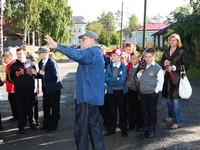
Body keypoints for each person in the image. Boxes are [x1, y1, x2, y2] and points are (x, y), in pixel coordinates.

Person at [44, 31, 105, 150]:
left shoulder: (92, 52)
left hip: (86, 98)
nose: (81, 41)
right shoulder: (96, 52)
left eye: (84, 39)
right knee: (94, 129)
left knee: (81, 130)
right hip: (91, 97)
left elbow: (78, 55)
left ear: (92, 39)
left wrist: (57, 46)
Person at [160, 33, 189, 129]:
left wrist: (174, 67)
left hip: (177, 80)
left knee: (176, 101)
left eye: (174, 40)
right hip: (167, 80)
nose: (172, 42)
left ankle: (177, 121)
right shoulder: (166, 52)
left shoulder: (181, 52)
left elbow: (186, 66)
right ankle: (171, 115)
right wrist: (164, 64)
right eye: (170, 40)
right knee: (169, 100)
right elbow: (161, 64)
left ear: (178, 42)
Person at [33, 47, 63, 132]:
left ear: (45, 53)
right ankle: (46, 124)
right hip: (46, 89)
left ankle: (53, 126)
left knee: (54, 108)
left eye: (39, 53)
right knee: (46, 107)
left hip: (54, 88)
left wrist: (44, 73)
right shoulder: (40, 63)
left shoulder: (52, 63)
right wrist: (36, 74)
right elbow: (41, 76)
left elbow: (55, 77)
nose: (38, 55)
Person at [137, 48, 164, 138]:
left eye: (150, 57)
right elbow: (138, 77)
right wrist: (140, 72)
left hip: (152, 94)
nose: (147, 59)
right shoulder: (143, 66)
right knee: (145, 112)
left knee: (152, 112)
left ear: (154, 56)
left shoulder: (157, 68)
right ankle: (146, 128)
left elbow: (160, 81)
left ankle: (151, 129)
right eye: (146, 57)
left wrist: (155, 91)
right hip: (143, 93)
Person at [8, 47, 36, 134]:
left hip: (30, 90)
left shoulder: (31, 63)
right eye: (17, 54)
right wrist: (17, 82)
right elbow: (9, 78)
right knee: (20, 108)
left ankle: (32, 123)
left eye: (20, 54)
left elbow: (35, 75)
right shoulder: (14, 65)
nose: (19, 56)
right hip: (19, 91)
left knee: (30, 106)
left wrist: (33, 74)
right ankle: (21, 126)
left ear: (25, 54)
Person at [104, 49, 128, 137]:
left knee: (122, 111)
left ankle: (124, 129)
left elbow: (122, 81)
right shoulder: (108, 66)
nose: (112, 57)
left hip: (121, 92)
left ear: (118, 56)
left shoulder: (123, 67)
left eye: (114, 55)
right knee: (111, 111)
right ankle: (111, 129)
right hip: (111, 92)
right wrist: (115, 79)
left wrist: (112, 80)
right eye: (111, 56)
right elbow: (105, 79)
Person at [126, 51, 143, 132]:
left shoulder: (141, 68)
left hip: (138, 91)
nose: (132, 60)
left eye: (134, 58)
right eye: (131, 58)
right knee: (131, 108)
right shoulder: (129, 67)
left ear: (138, 59)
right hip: (130, 90)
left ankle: (139, 125)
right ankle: (131, 125)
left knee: (139, 108)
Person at [2, 52, 17, 121]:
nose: (4, 60)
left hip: (13, 88)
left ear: (10, 57)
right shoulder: (8, 65)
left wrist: (9, 80)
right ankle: (15, 116)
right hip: (9, 87)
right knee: (12, 103)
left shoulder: (13, 65)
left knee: (15, 103)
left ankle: (17, 116)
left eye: (5, 59)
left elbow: (17, 75)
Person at [26, 53, 40, 126]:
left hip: (33, 88)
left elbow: (37, 76)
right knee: (31, 105)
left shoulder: (34, 65)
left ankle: (34, 120)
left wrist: (39, 89)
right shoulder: (26, 65)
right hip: (30, 88)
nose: (28, 60)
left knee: (34, 105)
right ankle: (33, 120)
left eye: (29, 58)